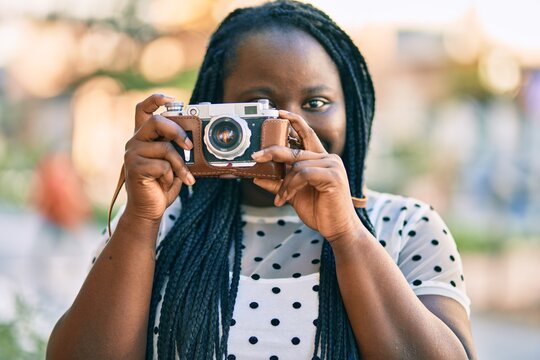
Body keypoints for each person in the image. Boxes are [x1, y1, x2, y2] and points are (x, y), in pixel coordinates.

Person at [46, 1, 476, 359]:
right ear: (212, 115)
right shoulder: (157, 224)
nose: (289, 124)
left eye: (317, 101)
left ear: (353, 112)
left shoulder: (405, 226)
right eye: (259, 104)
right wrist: (140, 222)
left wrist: (347, 234)